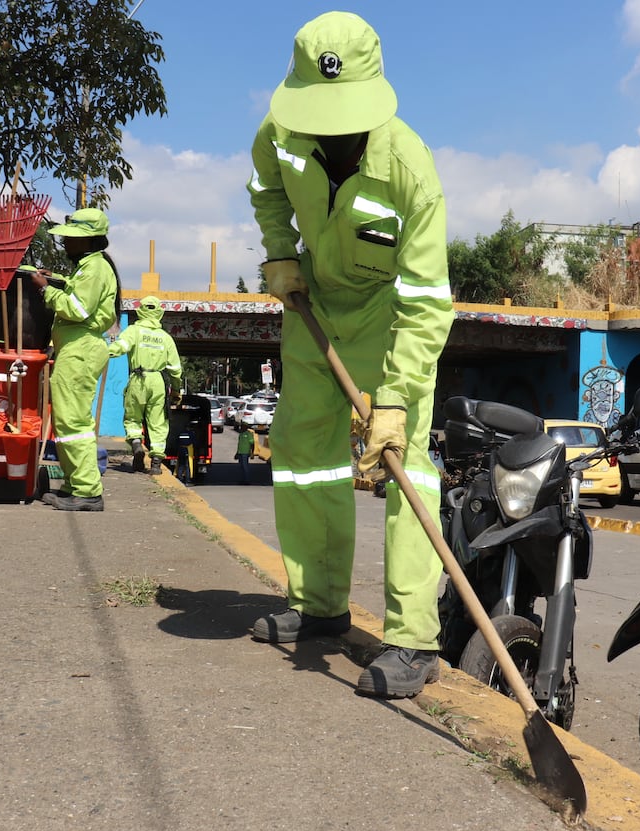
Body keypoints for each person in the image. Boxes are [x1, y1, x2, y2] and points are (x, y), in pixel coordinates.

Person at [246, 12, 455, 700]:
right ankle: (319, 604)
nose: (331, 130)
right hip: (313, 307)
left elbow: (427, 300)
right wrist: (280, 251)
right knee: (305, 457)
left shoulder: (409, 168)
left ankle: (414, 639)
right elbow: (266, 186)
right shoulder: (281, 133)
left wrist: (393, 397)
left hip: (388, 315)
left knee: (407, 470)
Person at [27, 208, 120, 511]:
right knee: (67, 422)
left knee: (74, 422)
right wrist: (61, 281)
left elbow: (78, 310)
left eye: (71, 238)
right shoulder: (89, 267)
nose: (64, 242)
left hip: (80, 349)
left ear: (89, 241)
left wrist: (46, 291)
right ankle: (73, 485)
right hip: (75, 349)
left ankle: (87, 490)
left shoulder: (94, 269)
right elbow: (81, 293)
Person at [105, 295, 182, 476]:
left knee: (133, 418)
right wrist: (176, 389)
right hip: (158, 382)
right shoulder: (165, 338)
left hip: (138, 378)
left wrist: (102, 350)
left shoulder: (134, 331)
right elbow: (176, 369)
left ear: (141, 311)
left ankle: (136, 444)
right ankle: (155, 462)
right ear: (159, 313)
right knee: (158, 422)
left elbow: (119, 347)